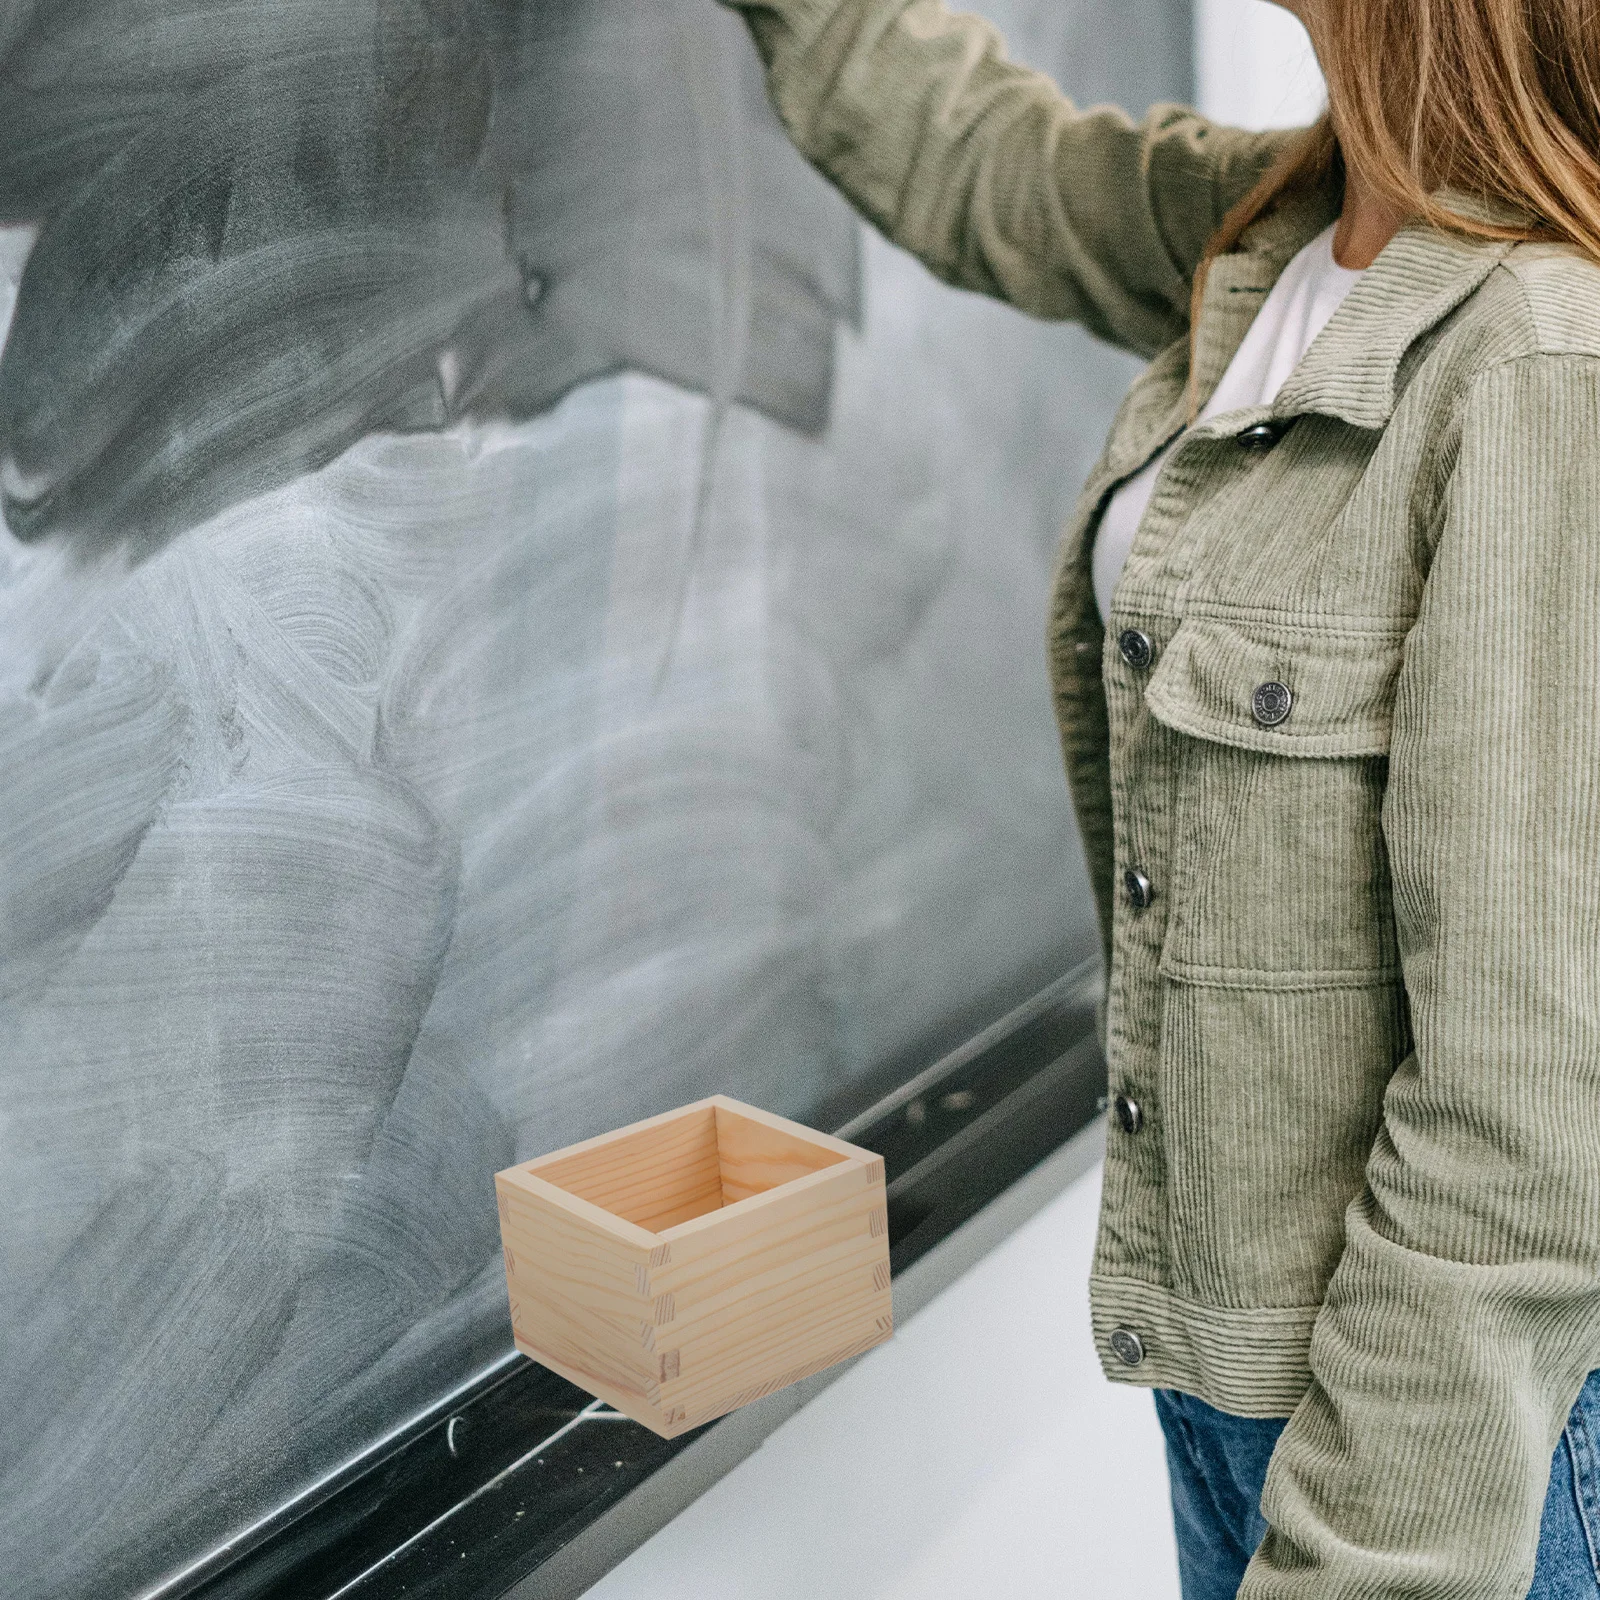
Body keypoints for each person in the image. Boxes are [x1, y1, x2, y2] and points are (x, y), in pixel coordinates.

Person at [714, 0, 1600, 1594]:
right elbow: (989, 163)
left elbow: (1530, 1121)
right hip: (1229, 1390)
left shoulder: (1542, 361)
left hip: (1438, 1471)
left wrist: (1362, 1559)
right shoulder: (1283, 223)